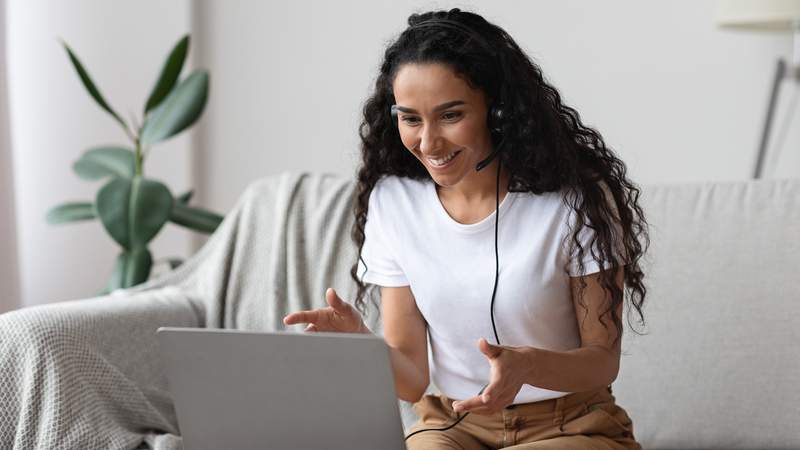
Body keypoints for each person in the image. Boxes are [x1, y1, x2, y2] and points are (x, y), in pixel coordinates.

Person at [283, 7, 649, 449]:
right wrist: (359, 343)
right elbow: (412, 380)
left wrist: (528, 366)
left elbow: (602, 361)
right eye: (411, 118)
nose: (428, 142)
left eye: (451, 115)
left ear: (499, 113)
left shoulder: (573, 202)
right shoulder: (394, 202)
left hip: (569, 425)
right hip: (454, 423)